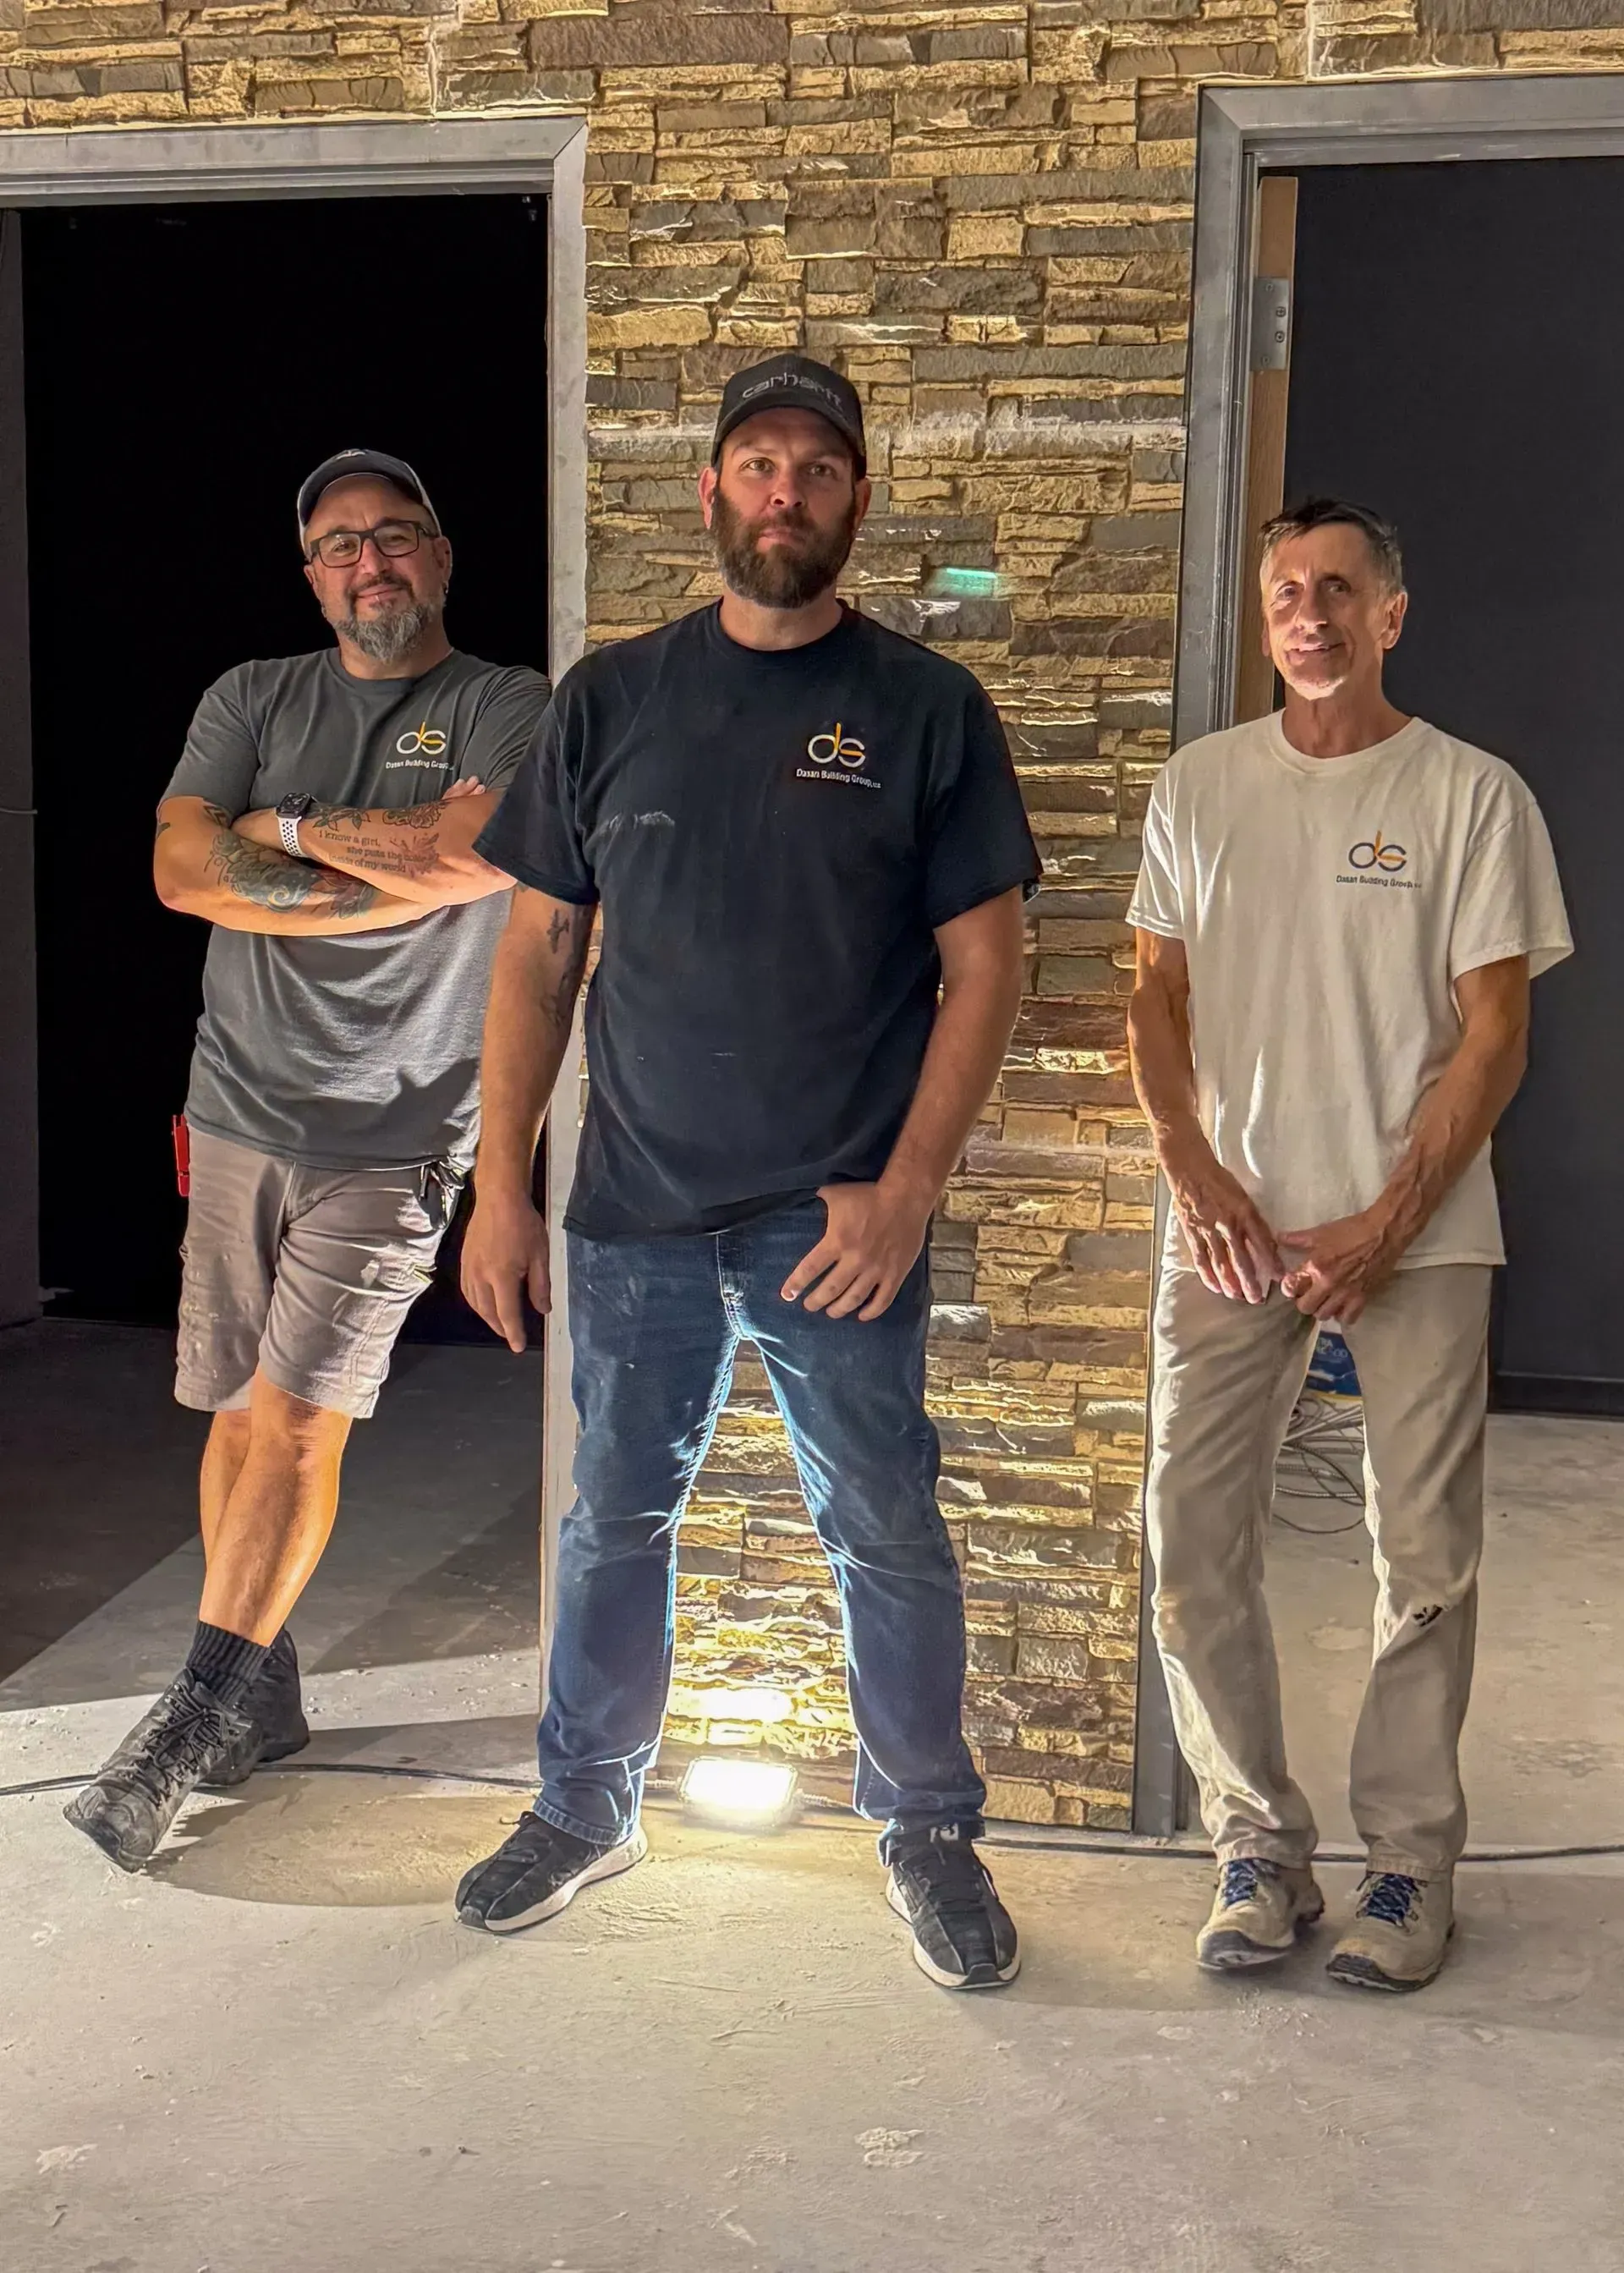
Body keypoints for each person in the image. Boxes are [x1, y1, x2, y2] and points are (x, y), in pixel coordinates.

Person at [454, 354, 1040, 1990]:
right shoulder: (611, 699)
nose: (787, 493)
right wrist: (503, 1183)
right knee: (609, 1520)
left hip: (835, 1216)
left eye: (820, 471)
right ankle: (583, 1803)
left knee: (886, 1527)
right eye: (760, 464)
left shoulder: (926, 710)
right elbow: (537, 954)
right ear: (710, 492)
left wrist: (910, 1185)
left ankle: (929, 1826)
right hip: (635, 1205)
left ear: (858, 501)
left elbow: (986, 966)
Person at [68, 450, 550, 1873]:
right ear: (312, 574)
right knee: (231, 1407)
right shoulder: (251, 694)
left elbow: (477, 855)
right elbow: (173, 869)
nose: (370, 562)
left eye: (395, 536)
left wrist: (268, 837)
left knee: (298, 1419)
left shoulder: (503, 702)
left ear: (442, 556)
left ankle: (191, 1713)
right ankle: (261, 1688)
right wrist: (369, 869)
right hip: (234, 1110)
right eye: (341, 545)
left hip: (395, 1129)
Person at [1128, 497, 1572, 1992]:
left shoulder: (1469, 794)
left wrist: (1387, 1223)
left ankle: (1406, 1866)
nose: (1305, 614)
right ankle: (1254, 1846)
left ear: (1392, 612)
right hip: (1230, 1236)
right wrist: (1197, 1181)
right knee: (1190, 1553)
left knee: (1424, 1555)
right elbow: (1153, 1004)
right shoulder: (1199, 789)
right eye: (1281, 593)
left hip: (1424, 1238)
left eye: (1336, 589)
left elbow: (1496, 1034)